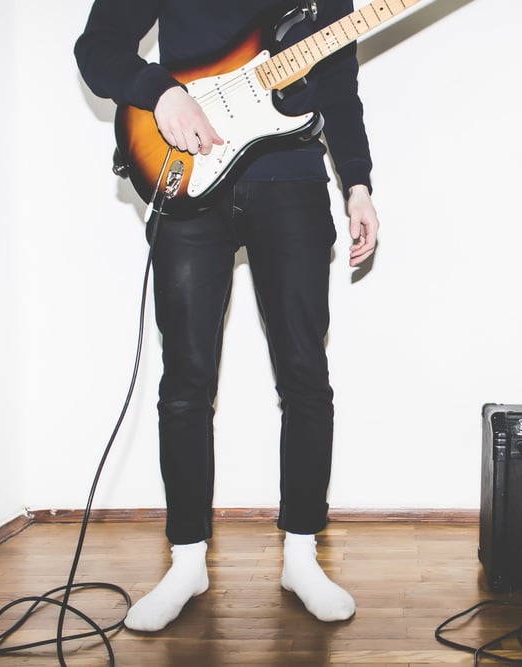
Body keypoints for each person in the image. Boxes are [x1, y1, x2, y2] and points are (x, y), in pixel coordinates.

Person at [74, 0, 379, 632]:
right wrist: (160, 93)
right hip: (187, 177)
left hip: (292, 182)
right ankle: (187, 561)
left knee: (304, 377)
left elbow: (338, 86)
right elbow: (96, 47)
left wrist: (357, 183)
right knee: (185, 384)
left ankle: (302, 554)